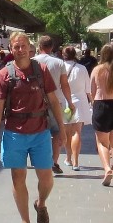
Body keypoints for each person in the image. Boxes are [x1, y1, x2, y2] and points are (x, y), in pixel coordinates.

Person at [0, 32, 66, 223]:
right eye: (16, 46)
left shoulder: (40, 70)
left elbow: (53, 100)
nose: (20, 49)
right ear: (11, 49)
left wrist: (61, 128)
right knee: (18, 178)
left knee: (46, 177)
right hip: (15, 133)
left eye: (23, 46)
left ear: (30, 48)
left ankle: (41, 203)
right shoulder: (4, 74)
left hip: (40, 131)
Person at [33, 36, 75, 174]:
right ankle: (54, 161)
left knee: (39, 132)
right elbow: (64, 85)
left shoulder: (32, 62)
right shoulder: (59, 63)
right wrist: (70, 102)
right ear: (52, 48)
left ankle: (41, 160)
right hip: (56, 101)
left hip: (36, 102)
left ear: (39, 46)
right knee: (57, 133)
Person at [90, 43, 113, 186]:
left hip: (101, 105)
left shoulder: (97, 70)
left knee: (102, 142)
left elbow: (92, 92)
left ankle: (107, 169)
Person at [61, 46, 91, 171]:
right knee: (77, 132)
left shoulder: (60, 67)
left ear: (63, 55)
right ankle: (76, 162)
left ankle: (68, 158)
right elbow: (87, 88)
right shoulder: (82, 68)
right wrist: (92, 101)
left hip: (65, 102)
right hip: (79, 102)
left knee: (67, 132)